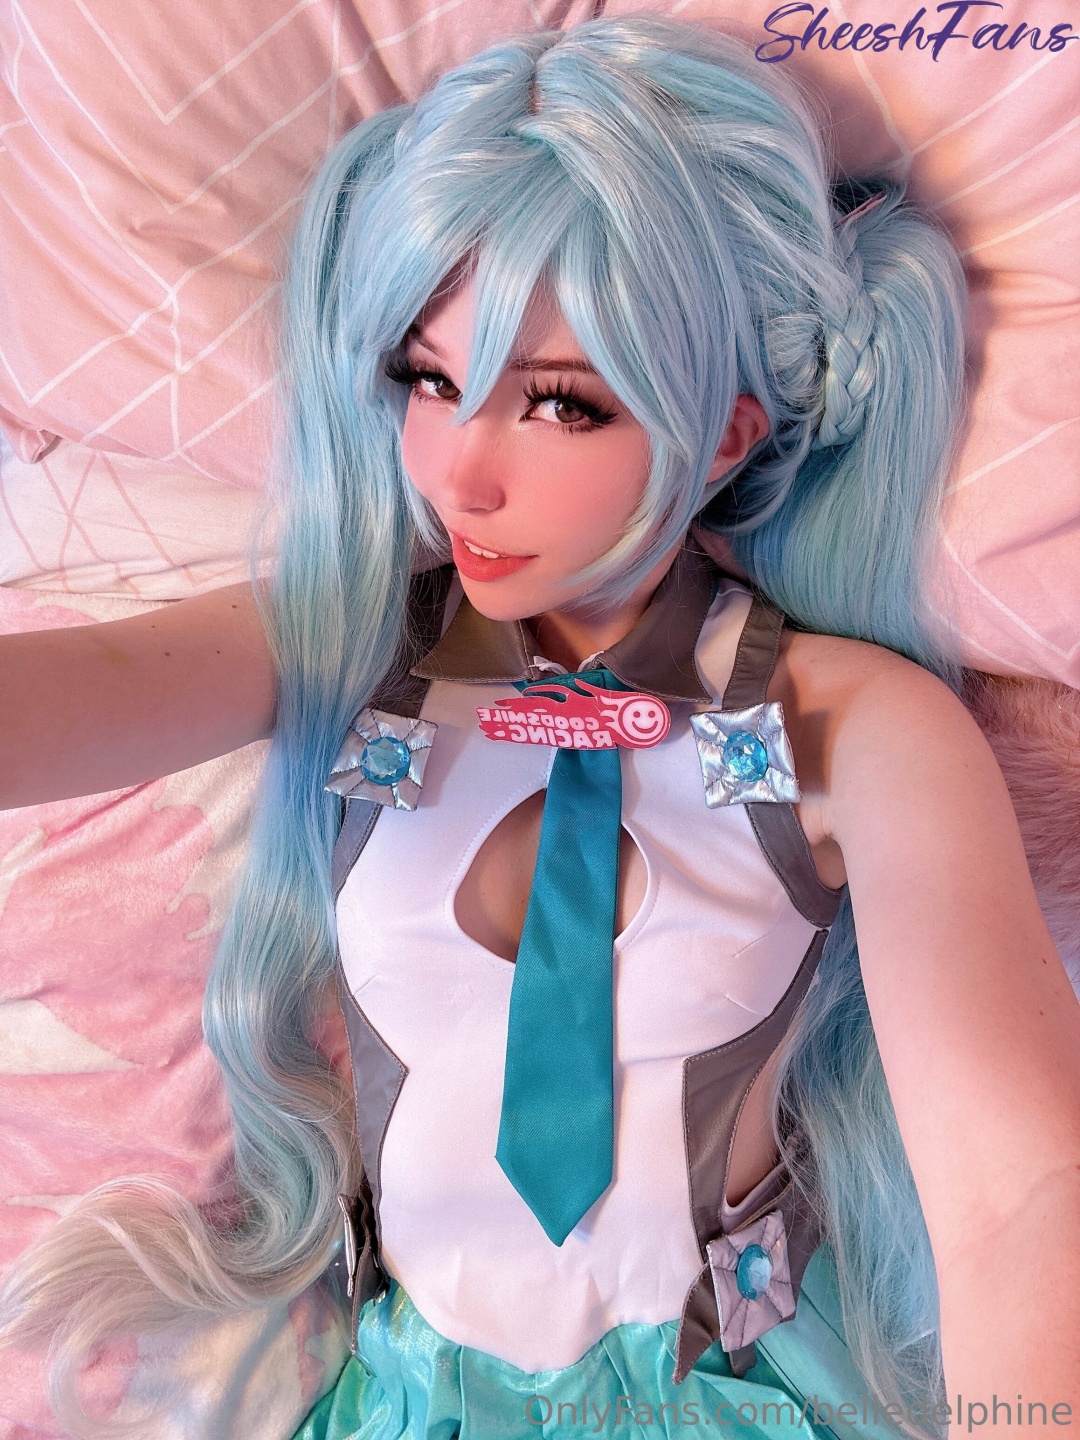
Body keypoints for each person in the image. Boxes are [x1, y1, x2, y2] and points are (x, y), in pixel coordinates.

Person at [2, 17, 1078, 1439]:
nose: (461, 472)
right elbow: (66, 697)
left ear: (727, 434)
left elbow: (1019, 1194)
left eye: (560, 404)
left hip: (732, 1398)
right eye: (429, 380)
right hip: (406, 1401)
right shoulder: (347, 649)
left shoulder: (854, 727)